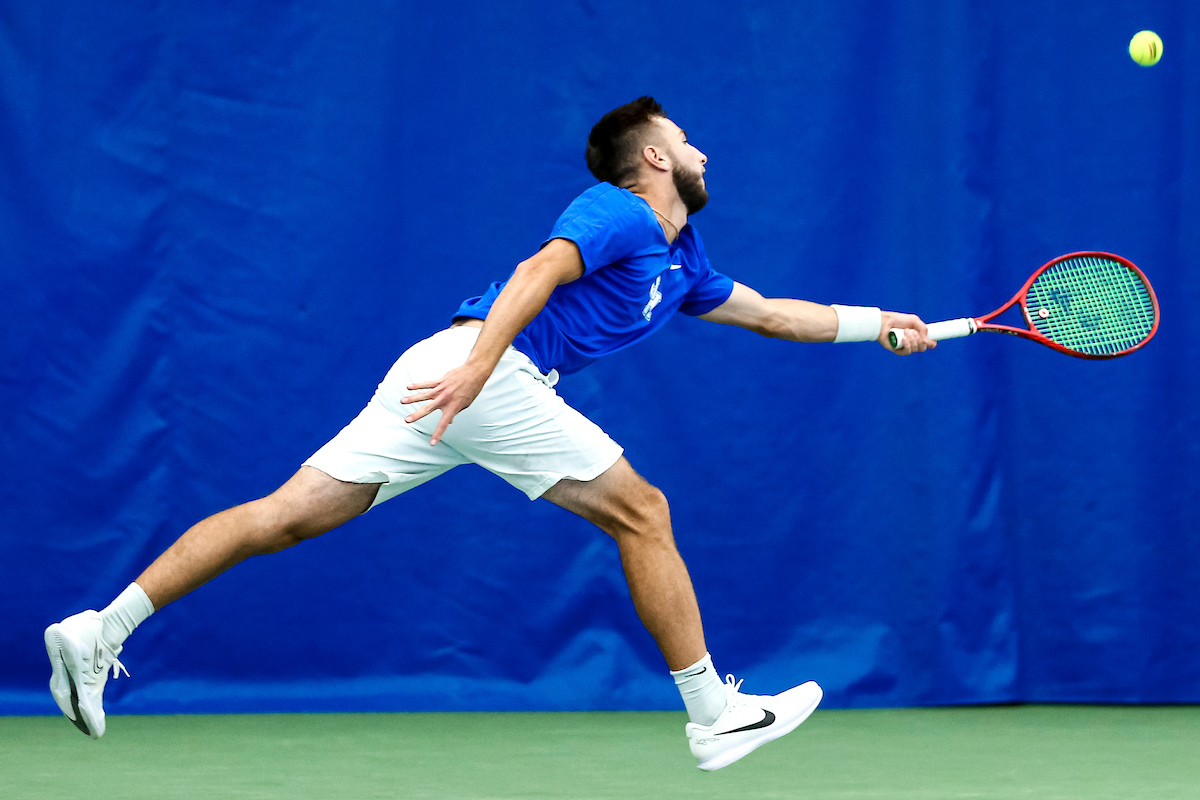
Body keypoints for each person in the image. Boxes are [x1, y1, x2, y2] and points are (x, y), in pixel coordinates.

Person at [45, 96, 934, 770]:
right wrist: (479, 365)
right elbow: (539, 268)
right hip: (483, 371)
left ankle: (100, 628)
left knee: (286, 517)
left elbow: (777, 316)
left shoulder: (680, 259)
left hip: (447, 376)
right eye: (689, 141)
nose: (706, 152)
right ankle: (711, 713)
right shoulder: (619, 210)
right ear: (655, 158)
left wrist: (882, 320)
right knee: (644, 512)